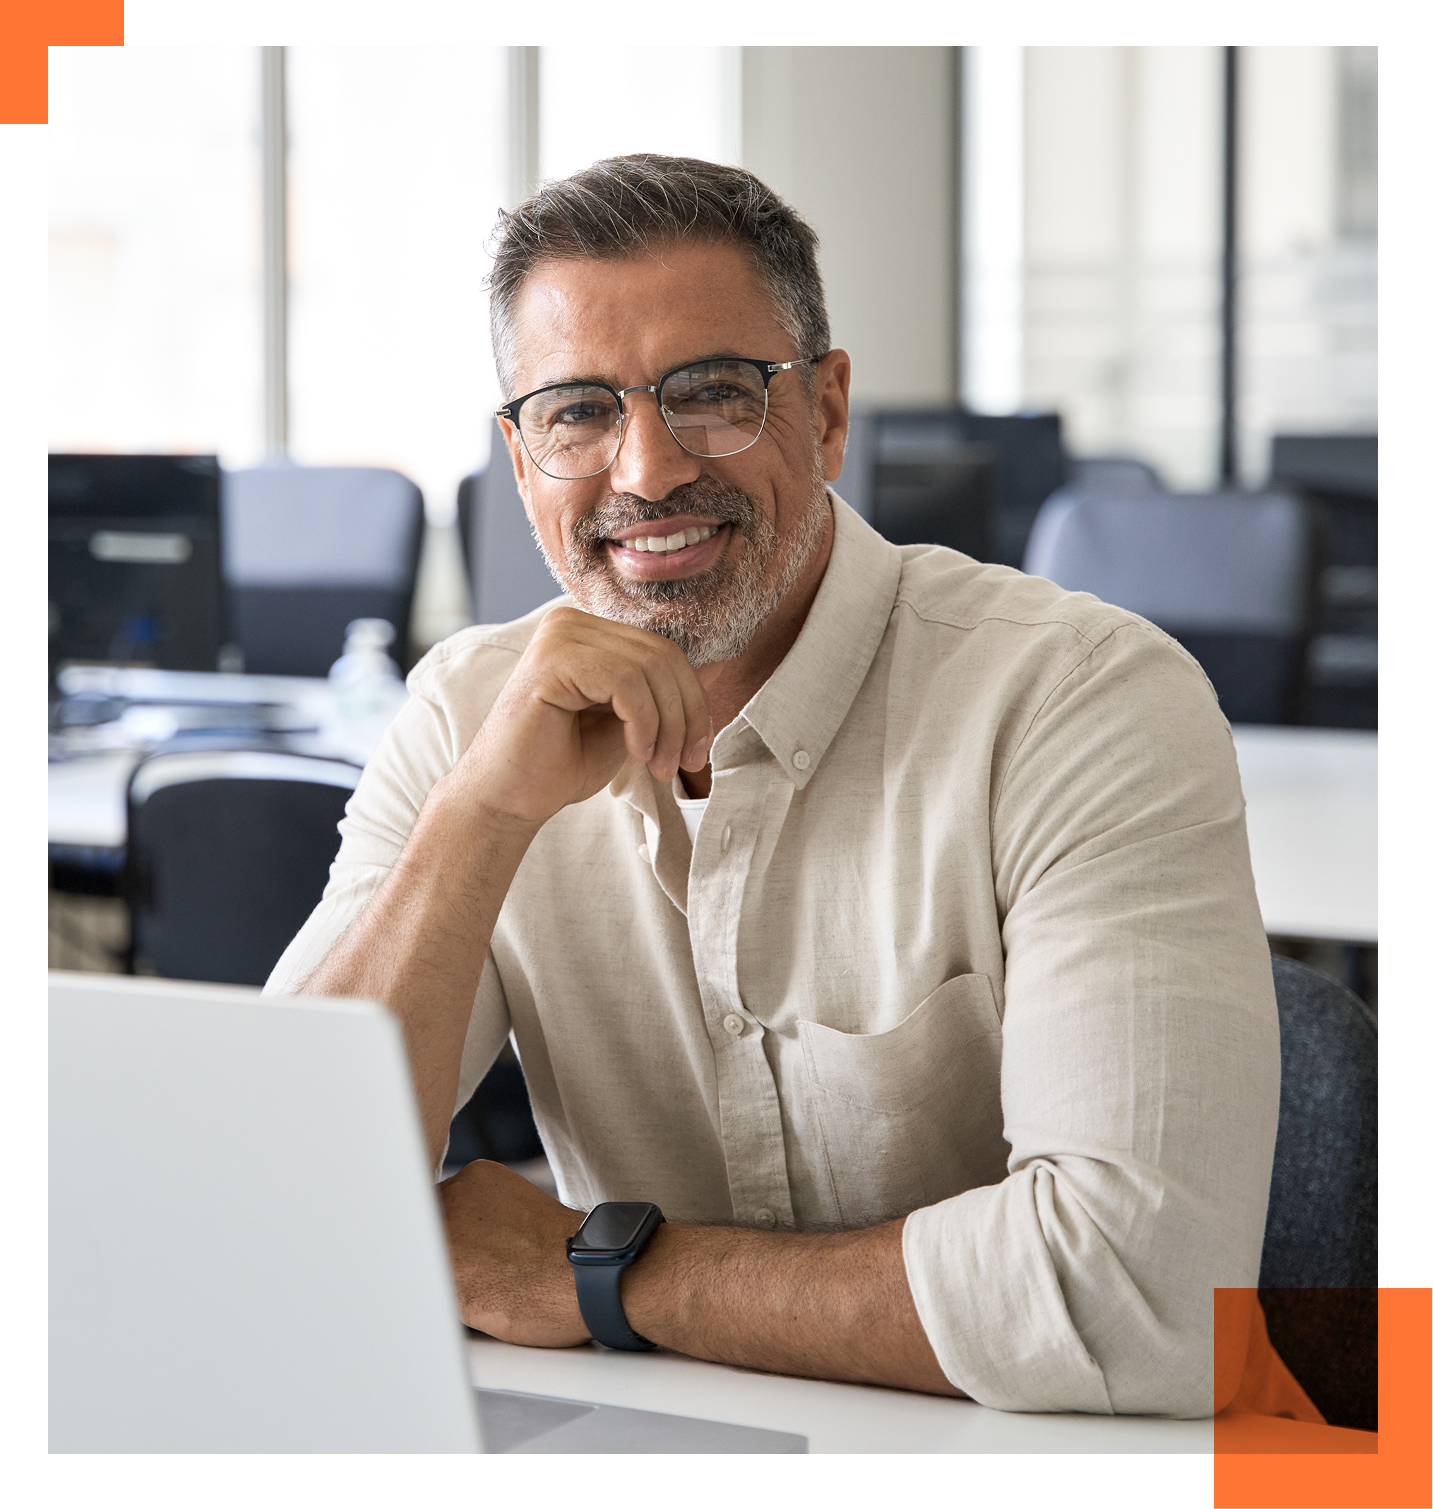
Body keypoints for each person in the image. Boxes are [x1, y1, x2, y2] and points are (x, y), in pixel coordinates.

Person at [267, 155, 1280, 1416]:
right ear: (521, 463)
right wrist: (479, 819)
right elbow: (268, 1201)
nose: (644, 471)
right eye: (577, 412)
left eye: (710, 394)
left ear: (828, 412)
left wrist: (610, 1276)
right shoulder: (470, 714)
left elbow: (1144, 1298)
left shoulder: (1077, 700)